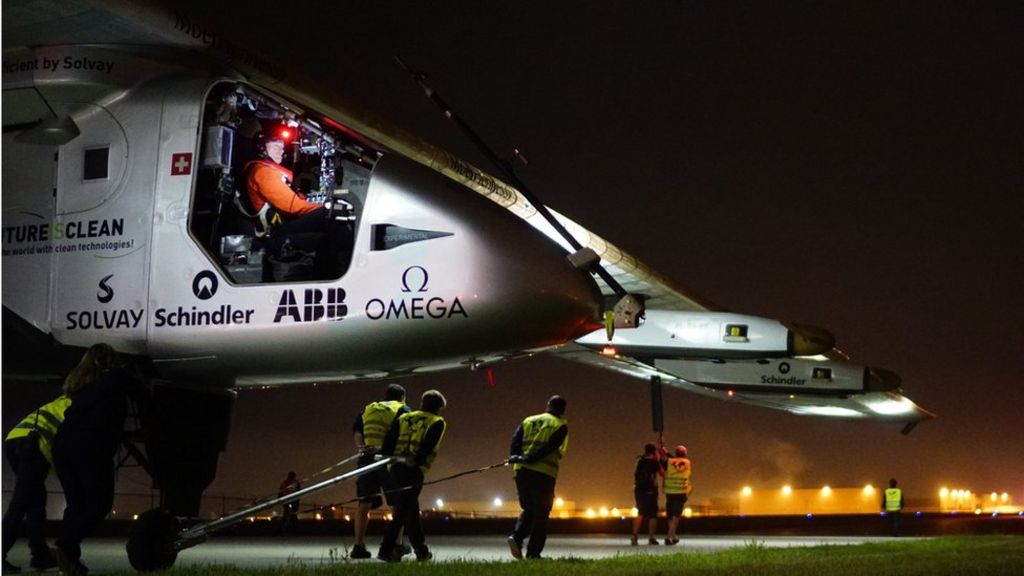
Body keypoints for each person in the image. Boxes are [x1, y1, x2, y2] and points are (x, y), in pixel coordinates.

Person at [50, 344, 147, 576]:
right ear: (109, 361)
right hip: (90, 447)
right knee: (99, 504)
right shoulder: (115, 377)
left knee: (77, 505)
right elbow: (141, 393)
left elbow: (99, 415)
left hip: (63, 446)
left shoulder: (81, 384)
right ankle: (65, 544)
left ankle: (70, 561)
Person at [244, 130, 350, 278]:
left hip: (285, 224)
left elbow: (297, 195)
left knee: (333, 218)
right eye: (275, 146)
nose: (281, 149)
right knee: (331, 216)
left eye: (282, 146)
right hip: (274, 232)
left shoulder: (270, 170)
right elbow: (294, 207)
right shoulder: (262, 173)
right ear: (262, 149)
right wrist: (325, 207)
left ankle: (334, 272)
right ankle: (338, 273)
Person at [376, 390, 447, 563]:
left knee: (410, 511)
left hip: (394, 468)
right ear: (438, 408)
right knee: (402, 512)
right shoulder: (437, 422)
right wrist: (417, 460)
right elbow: (428, 445)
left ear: (422, 402)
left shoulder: (403, 417)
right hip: (413, 470)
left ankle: (421, 551)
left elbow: (388, 442)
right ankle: (385, 550)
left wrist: (385, 455)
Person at [2, 396, 70, 573]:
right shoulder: (81, 405)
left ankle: (40, 556)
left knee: (36, 502)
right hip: (32, 445)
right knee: (22, 502)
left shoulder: (63, 400)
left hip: (15, 439)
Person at [350, 384, 411, 559]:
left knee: (364, 503)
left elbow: (357, 431)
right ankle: (396, 545)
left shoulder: (369, 408)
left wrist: (362, 447)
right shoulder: (402, 409)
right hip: (388, 460)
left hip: (366, 459)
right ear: (402, 397)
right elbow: (404, 434)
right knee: (396, 504)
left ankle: (358, 546)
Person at [507, 395, 569, 560]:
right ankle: (533, 553)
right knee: (542, 514)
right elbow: (550, 447)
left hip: (521, 471)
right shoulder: (560, 425)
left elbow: (515, 440)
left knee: (529, 509)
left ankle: (517, 537)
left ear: (548, 404)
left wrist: (516, 456)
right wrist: (531, 458)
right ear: (563, 410)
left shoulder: (529, 420)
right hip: (543, 473)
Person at [631, 442, 665, 546]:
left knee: (640, 513)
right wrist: (658, 460)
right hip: (650, 491)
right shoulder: (653, 462)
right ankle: (651, 538)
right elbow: (662, 473)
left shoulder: (640, 460)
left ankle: (634, 536)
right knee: (652, 515)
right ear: (654, 452)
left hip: (639, 490)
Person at [662, 445, 692, 545]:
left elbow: (665, 461)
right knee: (676, 516)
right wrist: (666, 452)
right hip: (681, 491)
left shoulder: (669, 462)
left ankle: (673, 536)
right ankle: (669, 536)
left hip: (670, 491)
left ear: (675, 453)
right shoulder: (687, 463)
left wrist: (664, 452)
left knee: (670, 516)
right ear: (685, 454)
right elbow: (676, 460)